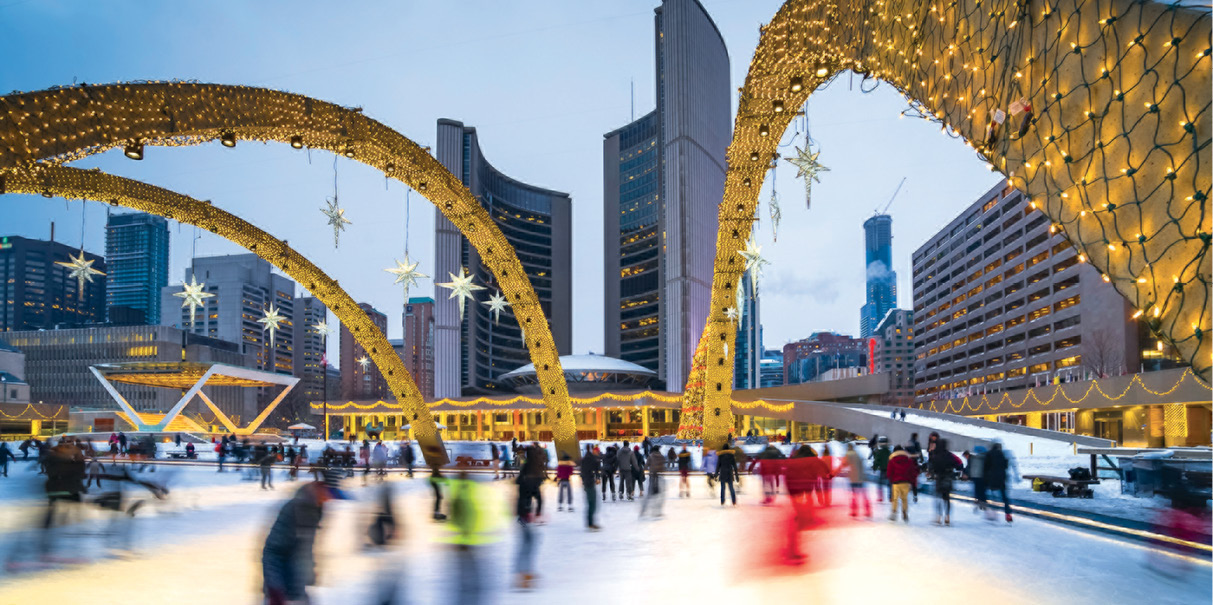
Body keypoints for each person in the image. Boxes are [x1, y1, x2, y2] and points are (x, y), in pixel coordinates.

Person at [262, 468, 348, 604]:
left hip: (297, 585)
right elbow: (272, 552)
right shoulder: (295, 509)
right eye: (330, 494)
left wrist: (310, 569)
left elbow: (305, 545)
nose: (330, 499)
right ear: (322, 487)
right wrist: (275, 590)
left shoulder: (316, 508)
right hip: (280, 589)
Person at [928, 438, 962, 526]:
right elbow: (959, 465)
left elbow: (932, 467)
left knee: (938, 498)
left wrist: (931, 473)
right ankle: (947, 517)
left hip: (939, 478)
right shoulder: (950, 455)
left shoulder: (936, 455)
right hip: (948, 478)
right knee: (947, 499)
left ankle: (939, 518)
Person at [983, 441, 1014, 523]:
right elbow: (1005, 466)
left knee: (988, 494)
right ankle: (1008, 514)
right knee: (1004, 497)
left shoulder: (988, 454)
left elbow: (985, 467)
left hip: (991, 478)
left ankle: (991, 512)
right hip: (1001, 478)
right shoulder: (1002, 454)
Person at [886, 445, 918, 523]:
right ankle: (904, 513)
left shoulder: (892, 460)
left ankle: (894, 512)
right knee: (904, 499)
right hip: (906, 482)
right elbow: (913, 472)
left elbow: (889, 472)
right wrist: (912, 481)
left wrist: (891, 478)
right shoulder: (909, 460)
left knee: (895, 498)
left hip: (896, 482)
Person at [844, 443, 871, 518]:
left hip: (854, 478)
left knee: (854, 495)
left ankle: (854, 511)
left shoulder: (849, 454)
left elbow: (844, 464)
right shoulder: (858, 454)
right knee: (864, 495)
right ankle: (868, 511)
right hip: (861, 477)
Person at [640, 444, 667, 518]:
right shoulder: (661, 457)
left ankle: (643, 511)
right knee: (660, 495)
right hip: (659, 477)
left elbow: (646, 466)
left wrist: (646, 470)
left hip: (652, 476)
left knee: (649, 495)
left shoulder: (650, 456)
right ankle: (657, 512)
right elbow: (664, 466)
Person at [580, 445, 601, 530]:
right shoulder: (591, 459)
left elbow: (582, 472)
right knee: (592, 503)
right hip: (590, 483)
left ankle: (590, 522)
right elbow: (596, 468)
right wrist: (597, 477)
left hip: (586, 482)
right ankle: (590, 523)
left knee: (591, 503)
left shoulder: (585, 458)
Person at [966, 445, 988, 513]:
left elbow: (970, 467)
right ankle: (983, 503)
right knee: (982, 490)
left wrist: (968, 474)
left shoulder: (974, 458)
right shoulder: (985, 458)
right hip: (983, 476)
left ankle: (979, 501)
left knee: (977, 489)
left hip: (975, 476)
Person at [717, 442, 739, 506]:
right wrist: (736, 475)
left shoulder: (721, 456)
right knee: (731, 487)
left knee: (722, 488)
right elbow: (734, 466)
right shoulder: (731, 455)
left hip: (723, 473)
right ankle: (734, 501)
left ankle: (722, 501)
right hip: (729, 473)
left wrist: (716, 474)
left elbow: (718, 465)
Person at [870, 436, 891, 502]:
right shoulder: (889, 452)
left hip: (883, 470)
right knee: (889, 484)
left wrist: (874, 468)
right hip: (890, 470)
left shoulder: (880, 452)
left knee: (880, 484)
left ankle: (880, 497)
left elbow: (877, 461)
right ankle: (890, 497)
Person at [905, 432, 924, 503]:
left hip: (907, 463)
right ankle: (915, 496)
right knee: (914, 481)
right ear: (916, 436)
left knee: (907, 479)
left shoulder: (908, 443)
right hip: (914, 463)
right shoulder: (916, 443)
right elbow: (919, 452)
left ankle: (905, 494)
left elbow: (905, 451)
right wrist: (921, 459)